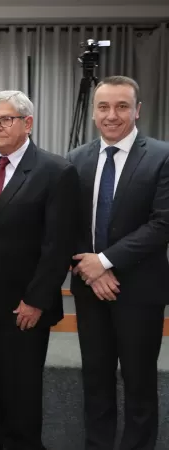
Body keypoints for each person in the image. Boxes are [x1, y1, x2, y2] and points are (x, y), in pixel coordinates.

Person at [0, 90, 79, 450]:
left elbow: (57, 245)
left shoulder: (56, 171)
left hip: (23, 307)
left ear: (28, 123)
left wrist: (36, 300)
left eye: (4, 119)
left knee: (20, 395)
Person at [66, 75, 169, 450]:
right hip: (89, 289)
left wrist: (106, 261)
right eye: (104, 107)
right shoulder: (75, 159)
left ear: (137, 110)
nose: (112, 115)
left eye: (122, 106)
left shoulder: (162, 156)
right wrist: (91, 270)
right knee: (95, 379)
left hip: (140, 290)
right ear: (94, 113)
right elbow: (67, 224)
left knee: (139, 383)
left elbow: (162, 223)